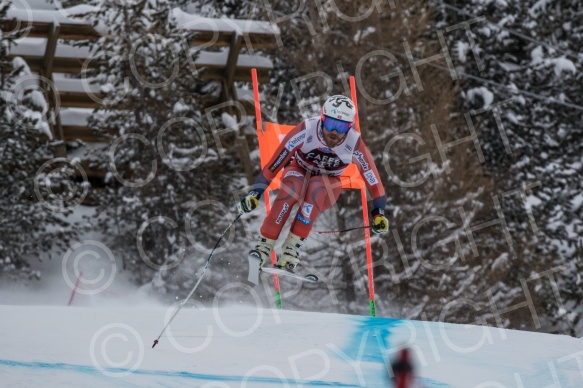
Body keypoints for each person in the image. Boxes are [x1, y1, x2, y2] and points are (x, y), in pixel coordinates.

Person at [239, 95, 388, 272]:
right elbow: (273, 166)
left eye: (341, 127)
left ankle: (291, 250)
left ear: (350, 127)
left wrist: (378, 213)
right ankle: (263, 247)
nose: (334, 132)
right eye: (330, 123)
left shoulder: (354, 143)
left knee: (318, 186)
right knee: (293, 187)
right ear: (322, 118)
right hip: (298, 171)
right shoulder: (306, 129)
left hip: (328, 184)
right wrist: (254, 193)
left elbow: (375, 183)